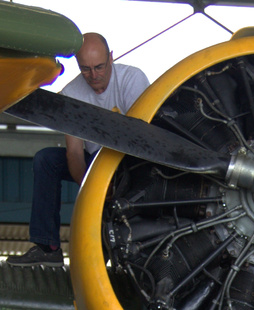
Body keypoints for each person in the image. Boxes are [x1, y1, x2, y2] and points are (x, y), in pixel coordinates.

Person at [7, 33, 149, 268]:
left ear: (111, 58)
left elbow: (143, 141)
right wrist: (93, 189)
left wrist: (114, 185)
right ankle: (47, 247)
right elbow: (73, 153)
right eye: (85, 69)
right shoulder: (72, 94)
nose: (93, 76)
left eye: (99, 67)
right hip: (94, 163)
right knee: (46, 160)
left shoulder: (132, 79)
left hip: (130, 162)